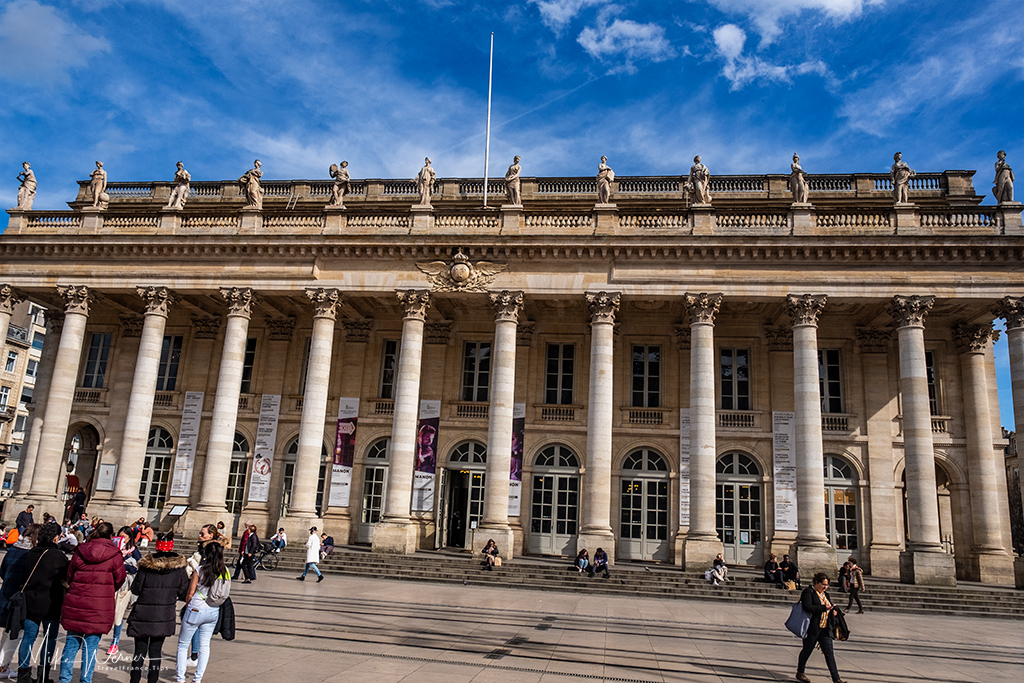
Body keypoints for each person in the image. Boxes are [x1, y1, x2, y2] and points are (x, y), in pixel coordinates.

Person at [59, 521, 127, 683]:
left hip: (77, 601)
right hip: (99, 606)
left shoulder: (80, 550)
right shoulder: (115, 555)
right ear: (111, 536)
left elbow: (69, 575)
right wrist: (107, 589)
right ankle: (85, 680)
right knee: (91, 647)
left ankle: (64, 679)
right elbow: (120, 579)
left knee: (71, 644)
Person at [126, 533, 188, 683]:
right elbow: (183, 591)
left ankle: (134, 681)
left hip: (142, 614)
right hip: (164, 615)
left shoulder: (146, 567)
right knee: (155, 652)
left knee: (139, 652)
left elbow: (136, 589)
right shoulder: (179, 569)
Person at [15, 521, 68, 683]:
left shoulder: (31, 553)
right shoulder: (58, 556)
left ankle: (23, 675)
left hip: (32, 600)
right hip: (51, 602)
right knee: (49, 638)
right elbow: (65, 579)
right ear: (56, 537)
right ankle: (43, 676)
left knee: (28, 638)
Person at [175, 542, 229, 683]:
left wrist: (188, 606)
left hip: (196, 608)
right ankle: (197, 679)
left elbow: (190, 593)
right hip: (213, 610)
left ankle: (180, 679)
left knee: (183, 645)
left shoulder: (199, 570)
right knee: (205, 646)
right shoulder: (225, 571)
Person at [0, 524, 39, 679]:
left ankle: (2, 664)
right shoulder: (30, 554)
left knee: (8, 631)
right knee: (15, 632)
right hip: (19, 598)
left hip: (6, 593)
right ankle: (3, 666)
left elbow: (2, 571)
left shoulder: (13, 549)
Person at [795, 573, 846, 683]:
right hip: (812, 628)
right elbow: (807, 607)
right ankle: (800, 672)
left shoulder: (825, 595)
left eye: (827, 585)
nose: (825, 587)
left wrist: (833, 611)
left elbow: (829, 606)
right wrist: (823, 608)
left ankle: (836, 678)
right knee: (807, 650)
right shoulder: (808, 592)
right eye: (823, 584)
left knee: (829, 653)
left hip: (825, 629)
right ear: (816, 582)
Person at [183, 525, 219, 667]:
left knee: (193, 629)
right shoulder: (211, 549)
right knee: (203, 635)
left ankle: (194, 656)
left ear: (211, 535)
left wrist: (192, 563)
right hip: (210, 598)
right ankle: (197, 662)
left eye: (203, 533)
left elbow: (203, 569)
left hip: (201, 594)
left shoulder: (208, 551)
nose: (200, 535)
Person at [107, 527, 141, 656]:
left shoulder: (133, 551)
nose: (121, 539)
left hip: (125, 585)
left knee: (118, 613)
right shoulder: (113, 549)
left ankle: (114, 642)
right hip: (111, 583)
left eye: (124, 536)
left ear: (129, 537)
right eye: (119, 536)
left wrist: (126, 566)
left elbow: (138, 566)